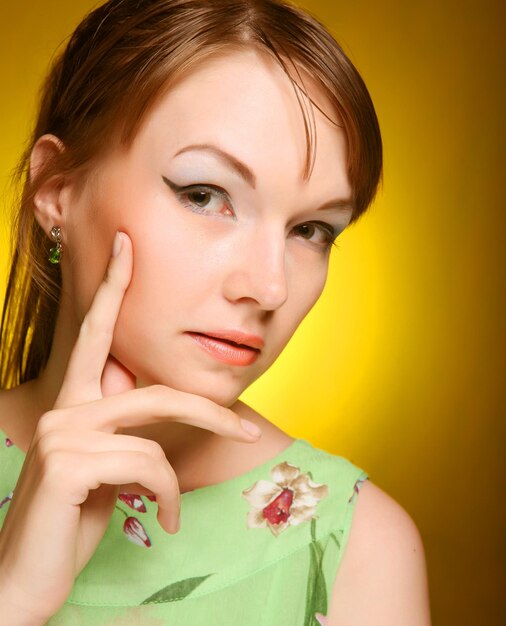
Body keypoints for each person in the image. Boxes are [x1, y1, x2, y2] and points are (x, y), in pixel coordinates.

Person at [0, 0, 431, 623]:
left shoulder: (354, 549)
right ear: (57, 191)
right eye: (205, 195)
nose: (270, 286)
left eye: (311, 230)